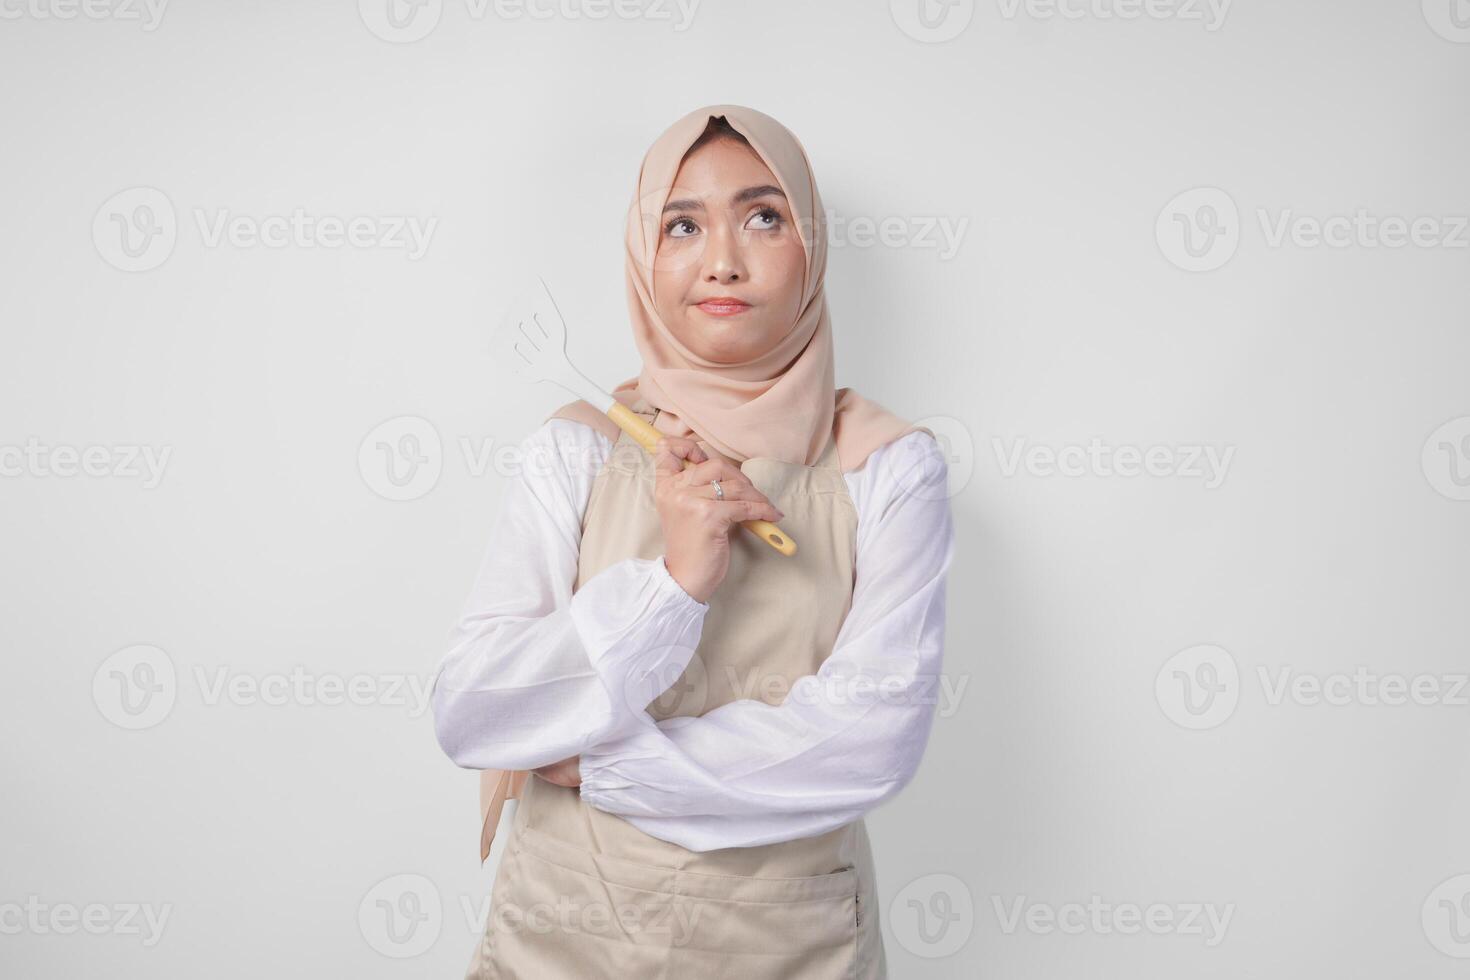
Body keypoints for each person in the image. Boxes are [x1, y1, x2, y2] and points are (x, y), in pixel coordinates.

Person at [430, 103, 955, 979]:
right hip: (559, 935)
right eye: (682, 225)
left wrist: (606, 768)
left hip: (790, 942)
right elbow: (473, 709)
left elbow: (870, 739)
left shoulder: (891, 469)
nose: (722, 260)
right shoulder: (576, 447)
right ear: (645, 257)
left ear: (811, 249)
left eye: (764, 217)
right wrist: (674, 584)